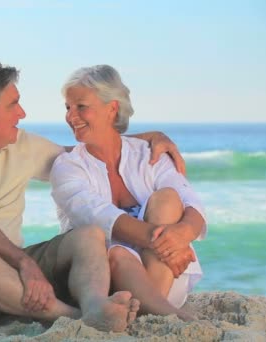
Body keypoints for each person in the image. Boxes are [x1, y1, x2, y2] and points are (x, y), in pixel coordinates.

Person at [0, 61, 182, 332]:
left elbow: (84, 155)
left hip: (10, 271)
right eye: (13, 105)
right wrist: (25, 264)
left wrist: (148, 138)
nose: (22, 113)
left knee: (90, 234)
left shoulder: (20, 144)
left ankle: (95, 305)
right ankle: (74, 318)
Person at [50, 65, 207, 321]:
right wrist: (168, 245)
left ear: (112, 108)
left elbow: (191, 202)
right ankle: (170, 317)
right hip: (102, 280)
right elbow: (96, 215)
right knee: (118, 253)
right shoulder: (68, 166)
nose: (71, 116)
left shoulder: (149, 153)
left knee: (168, 199)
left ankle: (152, 308)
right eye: (67, 107)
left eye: (81, 106)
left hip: (166, 272)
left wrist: (182, 235)